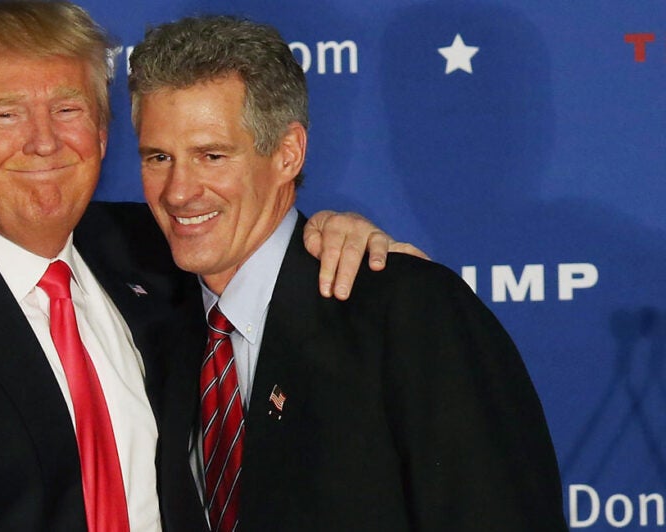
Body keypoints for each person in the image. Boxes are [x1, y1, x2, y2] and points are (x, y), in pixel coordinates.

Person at [0, 2, 419, 530]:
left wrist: (333, 235)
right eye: (6, 114)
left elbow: (257, 236)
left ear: (102, 133)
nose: (44, 141)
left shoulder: (158, 250)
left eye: (69, 110)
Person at [128, 15, 568, 532]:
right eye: (159, 156)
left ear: (288, 153)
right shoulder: (147, 319)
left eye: (212, 155)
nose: (178, 191)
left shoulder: (408, 312)